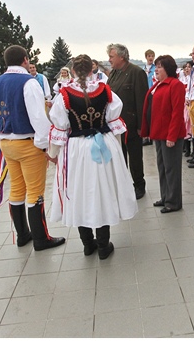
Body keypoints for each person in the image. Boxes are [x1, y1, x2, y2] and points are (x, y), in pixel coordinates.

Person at [47, 54, 137, 259]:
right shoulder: (105, 91)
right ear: (91, 70)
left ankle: (88, 244)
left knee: (79, 193)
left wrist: (52, 154)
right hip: (103, 145)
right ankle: (104, 246)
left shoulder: (63, 95)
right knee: (102, 192)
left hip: (77, 150)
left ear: (72, 71)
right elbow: (115, 123)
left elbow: (59, 129)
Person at [0, 45, 65, 252]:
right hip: (28, 143)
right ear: (25, 60)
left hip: (6, 143)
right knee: (35, 191)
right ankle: (40, 238)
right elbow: (38, 116)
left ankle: (22, 234)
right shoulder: (29, 82)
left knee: (17, 188)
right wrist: (46, 146)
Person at [141, 55, 187, 213]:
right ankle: (166, 196)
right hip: (159, 134)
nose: (157, 69)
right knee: (162, 167)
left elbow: (177, 113)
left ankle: (174, 201)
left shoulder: (176, 85)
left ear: (168, 68)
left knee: (171, 169)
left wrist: (172, 136)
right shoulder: (157, 85)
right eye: (156, 66)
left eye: (160, 66)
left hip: (170, 135)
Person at [106, 43, 148, 199]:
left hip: (131, 124)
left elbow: (142, 101)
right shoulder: (113, 74)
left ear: (121, 57)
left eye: (111, 56)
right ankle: (124, 185)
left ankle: (139, 185)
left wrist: (141, 126)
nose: (109, 59)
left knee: (135, 158)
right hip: (115, 126)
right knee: (120, 157)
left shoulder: (136, 72)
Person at [142, 49, 157, 146]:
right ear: (146, 57)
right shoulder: (143, 69)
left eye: (152, 56)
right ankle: (146, 136)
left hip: (153, 92)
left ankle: (152, 136)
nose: (150, 58)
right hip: (144, 93)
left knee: (151, 114)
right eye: (149, 56)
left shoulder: (155, 68)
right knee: (145, 114)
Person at [180, 61, 194, 157]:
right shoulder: (182, 79)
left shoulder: (192, 79)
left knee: (191, 127)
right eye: (185, 67)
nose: (187, 69)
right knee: (184, 126)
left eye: (189, 67)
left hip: (189, 105)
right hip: (184, 105)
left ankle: (192, 151)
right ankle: (186, 148)